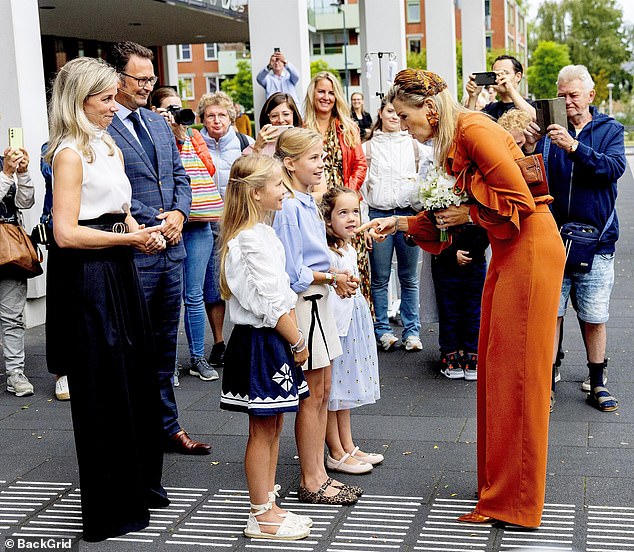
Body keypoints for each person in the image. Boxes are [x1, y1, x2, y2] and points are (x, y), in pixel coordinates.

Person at [359, 69, 565, 528]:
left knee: (517, 376)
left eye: (406, 116)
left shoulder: (473, 129)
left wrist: (468, 210)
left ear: (429, 109)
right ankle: (500, 487)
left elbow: (519, 199)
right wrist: (396, 224)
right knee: (496, 371)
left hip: (530, 248)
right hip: (512, 249)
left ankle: (516, 500)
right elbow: (452, 216)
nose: (406, 125)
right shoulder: (457, 135)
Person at [45, 56, 170, 541]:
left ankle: (139, 488)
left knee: (135, 379)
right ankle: (111, 506)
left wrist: (145, 231)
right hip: (88, 277)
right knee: (102, 389)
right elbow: (67, 234)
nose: (113, 106)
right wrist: (129, 240)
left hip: (118, 268)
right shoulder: (69, 154)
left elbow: (119, 211)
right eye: (103, 99)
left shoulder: (107, 144)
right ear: (80, 101)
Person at [107, 41, 210, 455]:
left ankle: (168, 426)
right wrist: (159, 218)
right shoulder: (100, 126)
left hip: (172, 249)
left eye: (152, 78)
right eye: (141, 78)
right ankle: (134, 429)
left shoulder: (157, 122)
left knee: (167, 345)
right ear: (117, 78)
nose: (149, 85)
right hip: (136, 252)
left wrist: (180, 216)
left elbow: (181, 176)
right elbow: (113, 190)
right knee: (135, 346)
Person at [524, 64, 627, 413]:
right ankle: (548, 381)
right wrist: (527, 147)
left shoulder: (610, 129)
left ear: (590, 96)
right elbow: (531, 176)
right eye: (562, 95)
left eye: (573, 95)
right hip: (553, 240)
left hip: (596, 242)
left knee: (595, 316)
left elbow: (612, 169)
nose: (567, 102)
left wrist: (574, 148)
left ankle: (597, 381)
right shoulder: (548, 132)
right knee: (551, 314)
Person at [219, 154, 311, 540]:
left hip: (272, 339)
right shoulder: (249, 241)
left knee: (274, 425)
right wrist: (298, 340)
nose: (283, 189)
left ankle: (268, 504)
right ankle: (259, 514)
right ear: (256, 193)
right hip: (262, 341)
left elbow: (280, 297)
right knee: (262, 429)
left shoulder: (263, 233)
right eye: (276, 184)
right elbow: (271, 304)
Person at [273, 128, 361, 505]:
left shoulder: (306, 201)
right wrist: (332, 276)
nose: (321, 161)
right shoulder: (290, 206)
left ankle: (320, 473)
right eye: (312, 157)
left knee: (323, 391)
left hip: (318, 300)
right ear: (290, 163)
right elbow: (293, 271)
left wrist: (330, 278)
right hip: (304, 303)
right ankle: (311, 478)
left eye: (320, 155)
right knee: (311, 395)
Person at [150, 86, 221, 383]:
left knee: (193, 295)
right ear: (155, 111)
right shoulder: (150, 135)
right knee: (166, 297)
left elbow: (209, 169)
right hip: (165, 223)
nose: (178, 114)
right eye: (170, 109)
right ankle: (166, 364)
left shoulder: (192, 136)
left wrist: (182, 139)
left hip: (198, 222)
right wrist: (163, 134)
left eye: (179, 107)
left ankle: (197, 358)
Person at [321, 187, 382, 475]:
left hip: (350, 320)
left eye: (355, 211)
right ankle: (335, 450)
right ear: (328, 217)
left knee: (343, 389)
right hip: (336, 323)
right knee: (332, 390)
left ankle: (347, 444)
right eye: (342, 213)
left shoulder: (348, 246)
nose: (351, 218)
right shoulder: (328, 251)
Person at [362, 99, 425, 352]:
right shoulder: (367, 147)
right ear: (380, 113)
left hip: (407, 216)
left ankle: (412, 331)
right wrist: (365, 220)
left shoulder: (415, 146)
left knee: (409, 277)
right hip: (378, 214)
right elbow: (362, 188)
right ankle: (383, 330)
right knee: (380, 277)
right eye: (389, 111)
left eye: (399, 113)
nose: (394, 117)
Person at [198, 91, 255, 371]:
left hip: (239, 223)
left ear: (231, 117)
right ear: (202, 119)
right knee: (213, 285)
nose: (216, 120)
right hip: (208, 223)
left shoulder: (246, 143)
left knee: (244, 280)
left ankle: (246, 339)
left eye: (222, 114)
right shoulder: (196, 144)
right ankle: (219, 342)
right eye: (210, 115)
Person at [303, 72, 370, 307]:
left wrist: (346, 197)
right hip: (315, 207)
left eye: (331, 92)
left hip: (346, 207)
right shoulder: (303, 129)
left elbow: (360, 164)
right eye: (321, 91)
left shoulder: (347, 127)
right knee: (322, 264)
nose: (326, 97)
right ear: (313, 94)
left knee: (351, 266)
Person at [430, 210, 489, 381]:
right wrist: (450, 252)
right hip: (450, 258)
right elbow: (430, 223)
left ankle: (470, 356)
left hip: (473, 257)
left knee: (471, 310)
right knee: (451, 309)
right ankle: (454, 355)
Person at [1, 146, 35, 397]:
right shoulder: (4, 167)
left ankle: (15, 372)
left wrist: (22, 174)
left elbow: (25, 202)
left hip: (10, 246)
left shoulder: (4, 162)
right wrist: (6, 173)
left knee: (13, 316)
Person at [37, 147, 69, 401]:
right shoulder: (54, 146)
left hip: (101, 230)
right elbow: (51, 172)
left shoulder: (106, 140)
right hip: (63, 233)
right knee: (61, 304)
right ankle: (62, 372)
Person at [465, 55, 535, 121]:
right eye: (496, 74)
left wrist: (510, 90)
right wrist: (473, 96)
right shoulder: (490, 109)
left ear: (518, 77)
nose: (500, 77)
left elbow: (535, 119)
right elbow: (468, 124)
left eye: (505, 73)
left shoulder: (531, 105)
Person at [245, 92, 303, 157]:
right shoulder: (252, 150)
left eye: (286, 114)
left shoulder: (305, 142)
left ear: (294, 116)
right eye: (274, 116)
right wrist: (257, 148)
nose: (280, 120)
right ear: (267, 119)